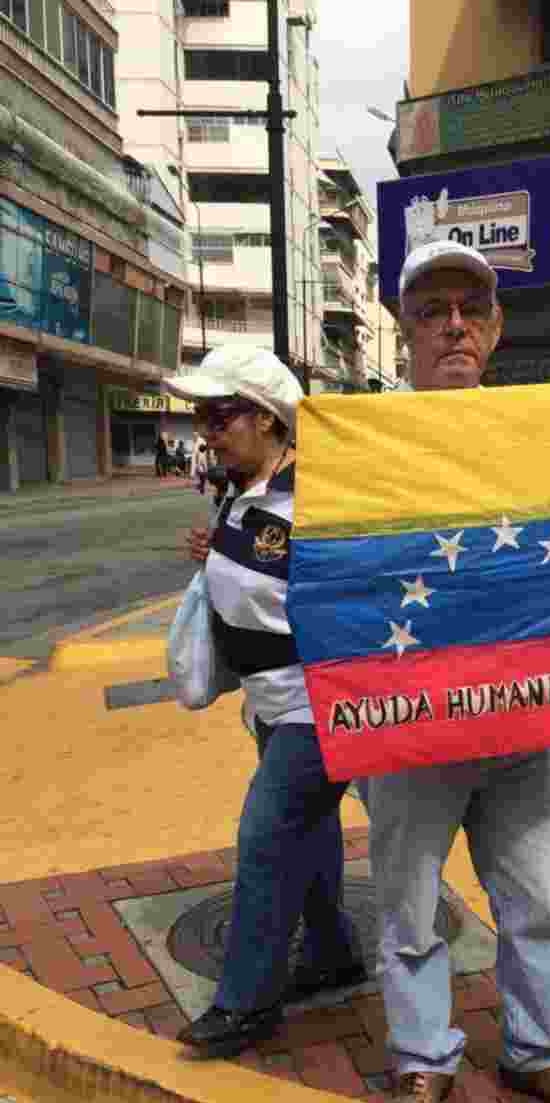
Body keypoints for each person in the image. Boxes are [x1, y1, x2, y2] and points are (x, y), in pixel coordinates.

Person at [370, 240, 550, 1103]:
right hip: (408, 725)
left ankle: (539, 1049)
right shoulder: (367, 445)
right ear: (404, 329)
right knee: (406, 903)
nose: (454, 326)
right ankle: (422, 1059)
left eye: (470, 308)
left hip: (521, 725)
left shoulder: (543, 440)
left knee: (538, 902)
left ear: (498, 326)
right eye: (432, 310)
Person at [165, 345, 366, 1059]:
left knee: (264, 834)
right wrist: (216, 548)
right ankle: (336, 952)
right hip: (271, 704)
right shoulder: (242, 489)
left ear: (268, 419)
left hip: (316, 705)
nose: (207, 432)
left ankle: (247, 1001)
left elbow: (332, 576)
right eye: (202, 417)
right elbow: (260, 557)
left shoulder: (318, 494)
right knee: (308, 836)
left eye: (220, 417)